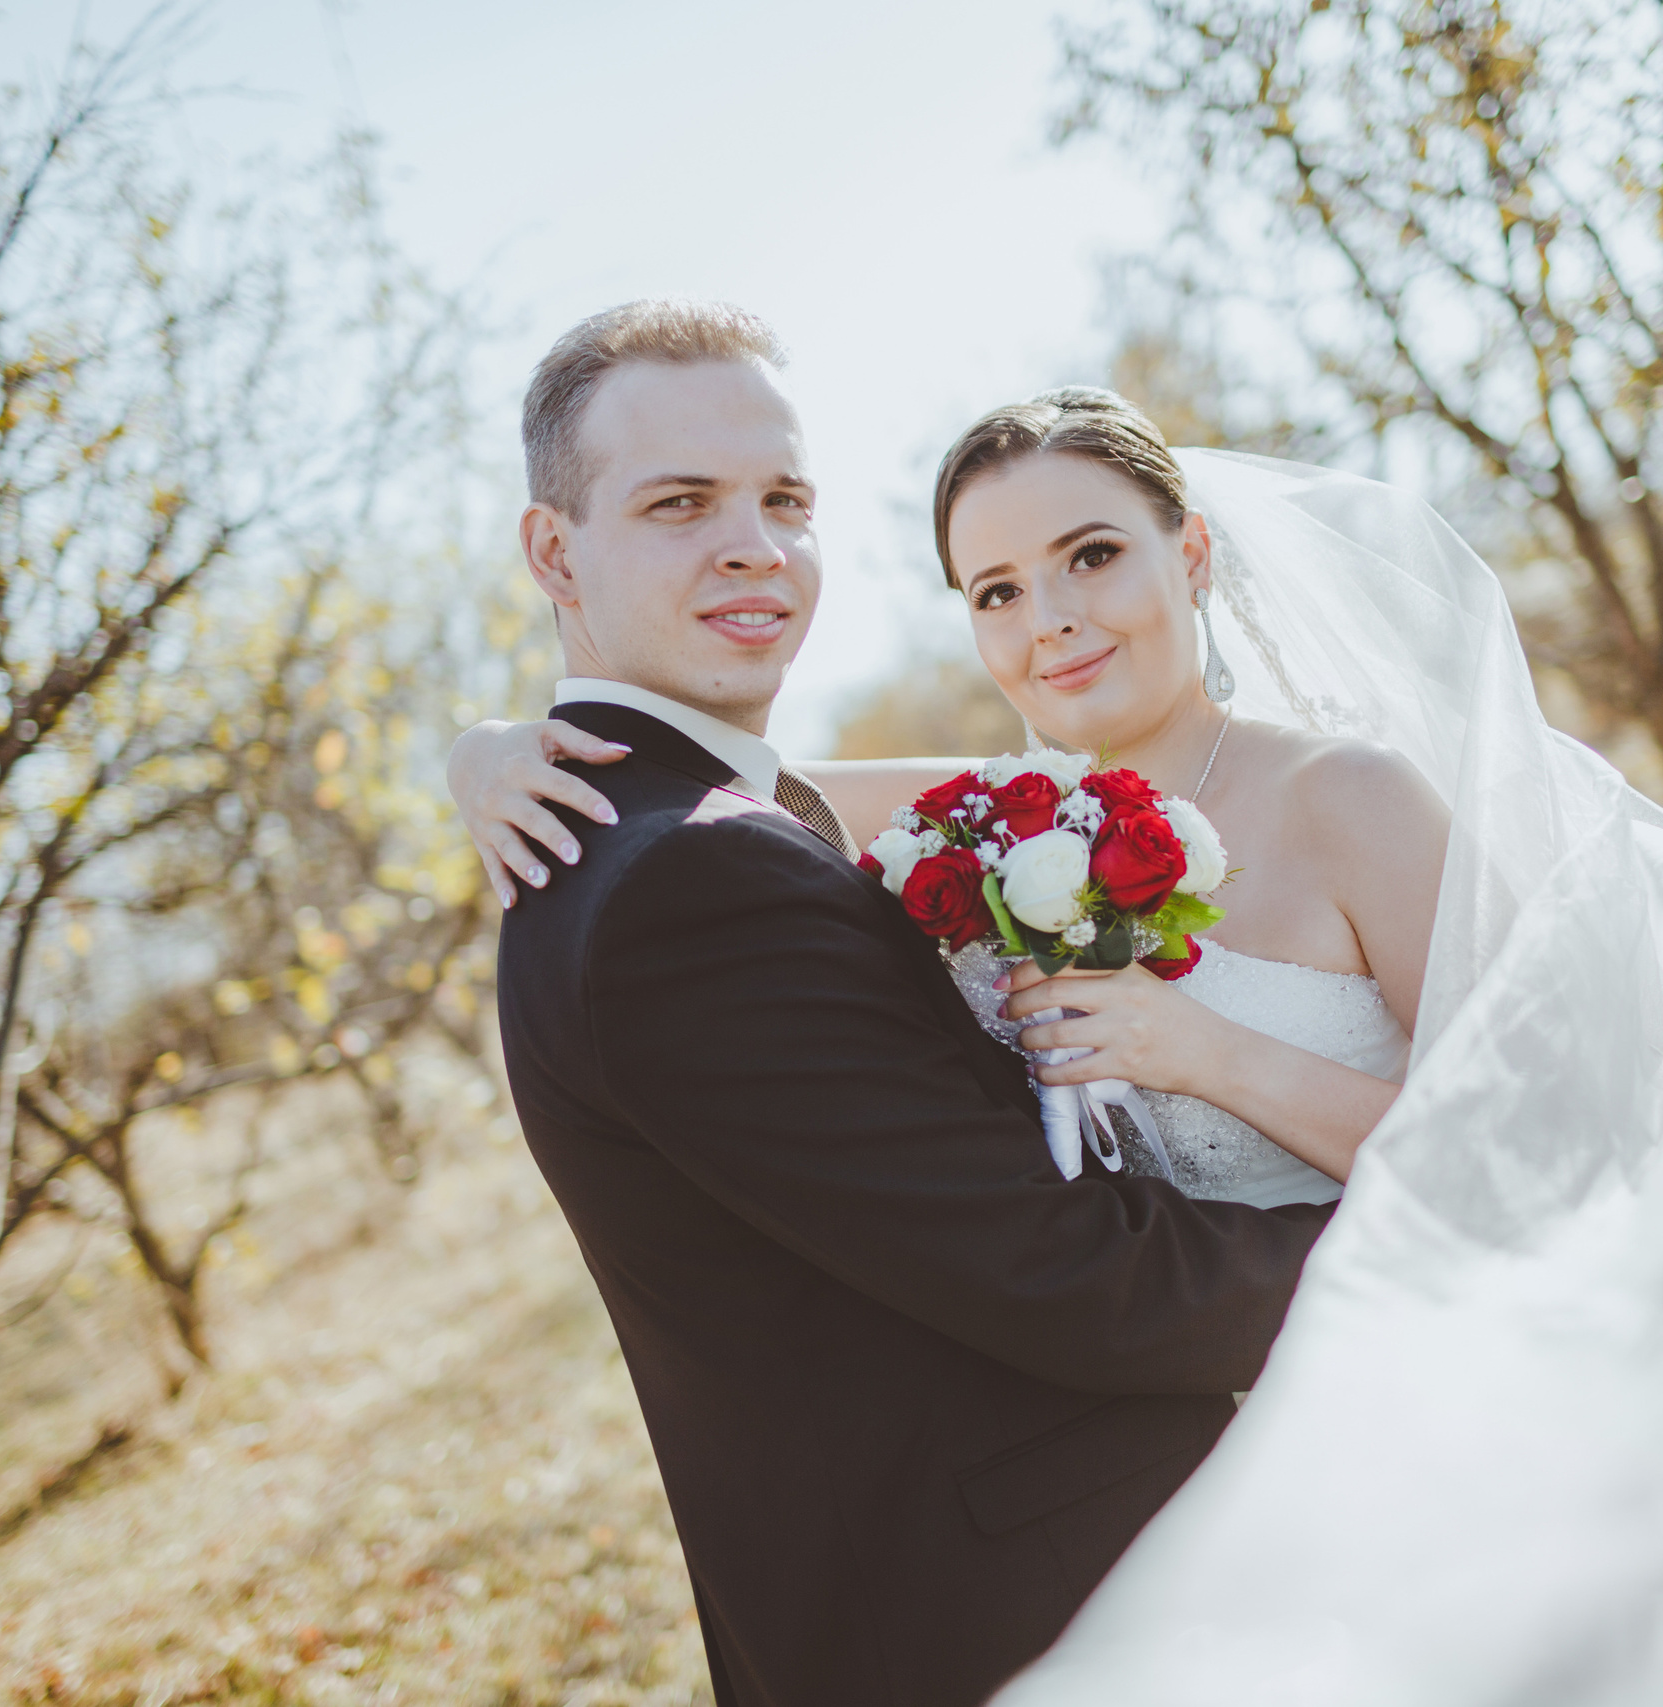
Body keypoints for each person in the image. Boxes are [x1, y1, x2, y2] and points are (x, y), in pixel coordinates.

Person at [459, 370, 1663, 1706]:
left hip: (1464, 1419)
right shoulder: (994, 831)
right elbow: (747, 798)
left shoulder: (1348, 802)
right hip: (1260, 1490)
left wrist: (1209, 1054)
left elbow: (1564, 1155)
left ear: (1196, 556)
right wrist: (501, 747)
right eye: (996, 591)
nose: (1051, 624)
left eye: (1093, 556)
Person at [477, 299, 1332, 1707]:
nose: (753, 544)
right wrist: (1426, 1240)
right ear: (554, 550)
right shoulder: (685, 883)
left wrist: (494, 744)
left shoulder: (641, 834)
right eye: (681, 503)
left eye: (784, 498)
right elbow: (1070, 1276)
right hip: (1042, 1627)